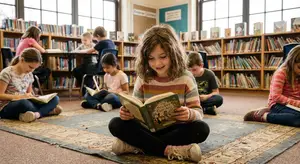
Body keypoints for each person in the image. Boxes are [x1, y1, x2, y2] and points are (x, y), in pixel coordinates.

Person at [108, 24, 210, 162]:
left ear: (174, 54)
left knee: (201, 128)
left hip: (175, 128)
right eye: (151, 58)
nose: (157, 63)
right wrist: (127, 114)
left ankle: (135, 146)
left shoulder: (186, 77)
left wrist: (189, 114)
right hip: (147, 129)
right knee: (115, 124)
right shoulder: (143, 77)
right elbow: (135, 106)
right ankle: (173, 150)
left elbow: (199, 113)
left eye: (163, 56)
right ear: (145, 58)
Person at [244, 45, 300, 127]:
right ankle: (262, 116)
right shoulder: (281, 73)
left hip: (295, 106)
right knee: (297, 119)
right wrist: (297, 103)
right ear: (291, 62)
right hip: (278, 104)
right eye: (299, 67)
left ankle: (270, 111)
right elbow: (276, 96)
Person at [0, 48, 61, 123]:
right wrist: (19, 97)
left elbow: (30, 93)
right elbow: (0, 95)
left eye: (34, 69)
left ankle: (36, 114)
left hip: (25, 102)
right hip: (7, 106)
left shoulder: (29, 74)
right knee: (24, 103)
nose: (31, 71)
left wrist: (35, 97)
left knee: (55, 98)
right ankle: (47, 111)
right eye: (30, 67)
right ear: (22, 60)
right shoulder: (7, 73)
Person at [73, 26, 115, 95]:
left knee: (80, 69)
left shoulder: (101, 42)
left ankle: (87, 91)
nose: (96, 41)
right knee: (84, 69)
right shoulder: (111, 42)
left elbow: (88, 51)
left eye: (96, 39)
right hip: (110, 67)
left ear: (98, 36)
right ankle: (89, 89)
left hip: (100, 67)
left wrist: (80, 51)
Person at [15, 25, 50, 94]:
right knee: (46, 70)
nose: (39, 38)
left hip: (19, 63)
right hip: (26, 64)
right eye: (39, 36)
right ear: (36, 34)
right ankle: (35, 87)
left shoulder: (22, 40)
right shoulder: (30, 40)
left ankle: (32, 84)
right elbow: (42, 51)